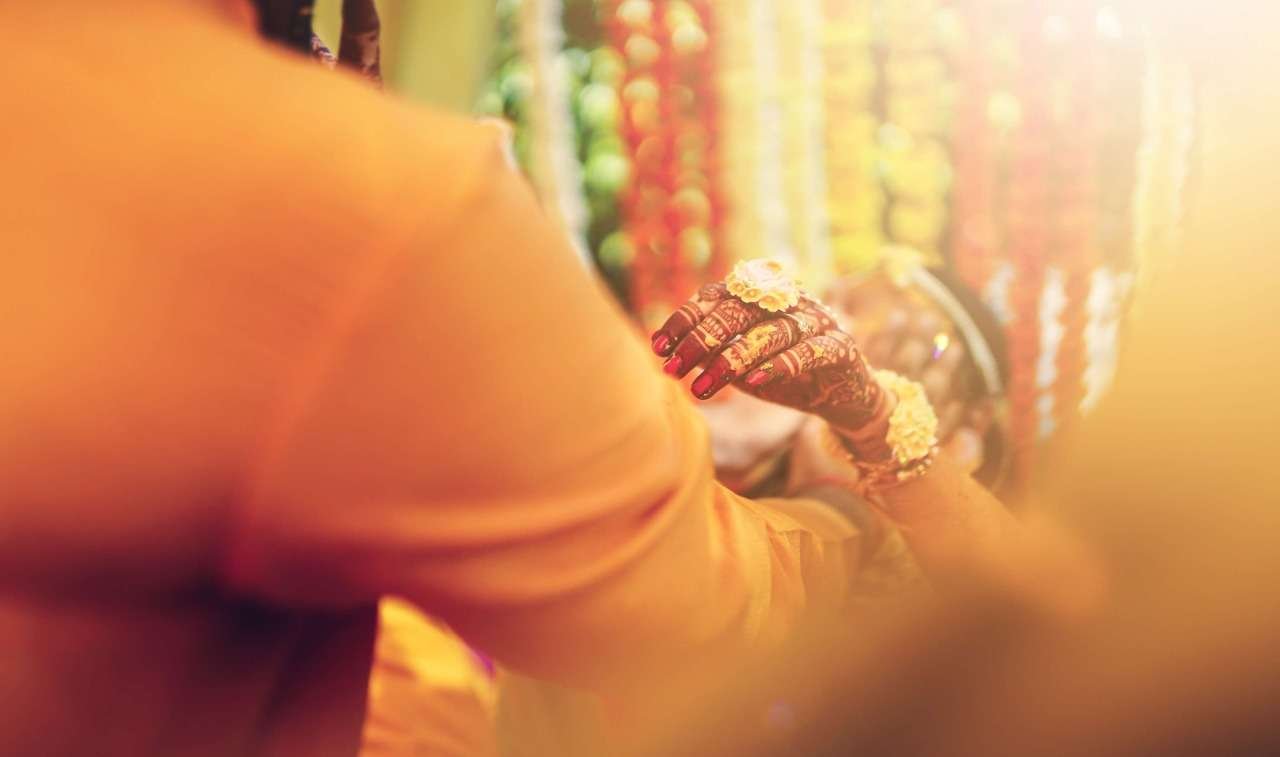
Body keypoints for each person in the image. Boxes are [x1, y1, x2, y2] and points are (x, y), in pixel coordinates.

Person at [0, 2, 1093, 755]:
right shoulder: (401, 230)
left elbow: (1054, 621)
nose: (823, 325)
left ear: (971, 432)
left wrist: (881, 441)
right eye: (840, 299)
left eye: (899, 340)